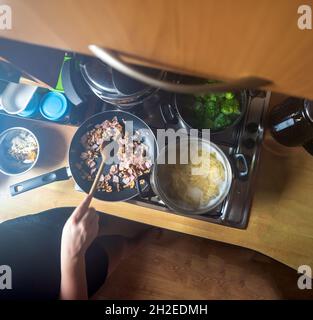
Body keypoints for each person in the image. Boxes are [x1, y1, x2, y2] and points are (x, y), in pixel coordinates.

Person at [0, 194, 154, 300]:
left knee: (100, 219)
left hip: (35, 230)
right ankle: (139, 241)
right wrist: (73, 254)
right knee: (119, 246)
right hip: (70, 277)